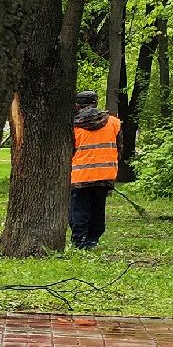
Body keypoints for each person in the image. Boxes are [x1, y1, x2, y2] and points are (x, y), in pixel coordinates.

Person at [69, 90, 122, 250]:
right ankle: (93, 239)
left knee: (79, 209)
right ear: (96, 103)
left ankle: (79, 241)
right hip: (105, 174)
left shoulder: (74, 124)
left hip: (81, 175)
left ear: (78, 105)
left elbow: (70, 149)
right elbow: (119, 147)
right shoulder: (113, 122)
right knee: (98, 208)